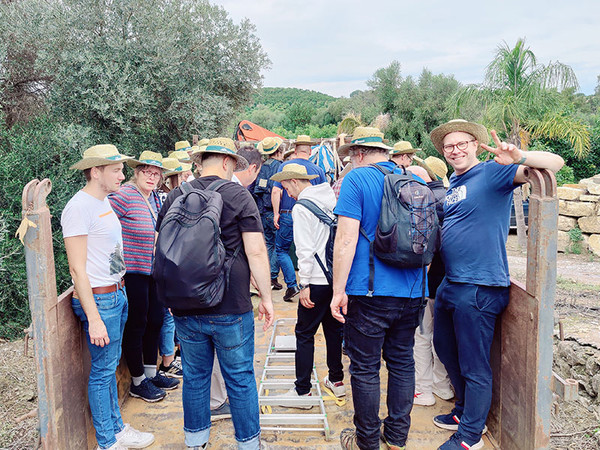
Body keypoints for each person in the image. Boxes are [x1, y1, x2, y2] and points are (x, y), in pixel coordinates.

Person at [429, 119, 564, 450]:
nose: (456, 150)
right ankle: (463, 411)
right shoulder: (455, 182)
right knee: (446, 351)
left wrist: (521, 156)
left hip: (479, 286)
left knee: (475, 365)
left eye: (462, 143)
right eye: (449, 146)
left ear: (476, 144)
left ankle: (470, 436)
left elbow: (555, 164)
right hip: (452, 283)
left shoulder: (493, 173)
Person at [157, 137, 274, 450]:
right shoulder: (239, 196)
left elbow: (163, 249)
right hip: (231, 305)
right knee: (239, 377)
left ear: (200, 161)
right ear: (227, 162)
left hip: (185, 306)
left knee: (195, 377)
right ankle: (248, 444)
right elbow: (257, 252)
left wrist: (169, 296)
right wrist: (266, 297)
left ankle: (195, 442)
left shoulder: (175, 196)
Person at [330, 127, 427, 450]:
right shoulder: (415, 179)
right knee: (402, 361)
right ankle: (397, 437)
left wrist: (337, 290)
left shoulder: (357, 180)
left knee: (365, 367)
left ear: (357, 154)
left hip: (369, 291)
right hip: (413, 290)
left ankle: (367, 440)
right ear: (384, 153)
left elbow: (345, 238)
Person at [61, 144, 154, 450]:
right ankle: (106, 441)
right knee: (102, 371)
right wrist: (94, 318)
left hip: (117, 293)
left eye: (122, 169)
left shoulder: (104, 203)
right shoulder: (78, 208)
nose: (122, 175)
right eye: (116, 169)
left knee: (111, 365)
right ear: (95, 171)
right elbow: (77, 268)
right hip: (100, 300)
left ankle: (116, 428)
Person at [270, 164, 345, 403]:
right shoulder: (330, 199)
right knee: (333, 331)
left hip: (315, 280)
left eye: (285, 186)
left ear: (294, 181)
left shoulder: (302, 207)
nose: (286, 193)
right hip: (335, 277)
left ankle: (303, 389)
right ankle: (336, 380)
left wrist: (304, 284)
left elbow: (305, 249)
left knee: (304, 333)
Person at [109, 151, 179, 403]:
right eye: (147, 172)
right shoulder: (124, 196)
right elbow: (103, 224)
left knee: (156, 320)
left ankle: (151, 372)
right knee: (137, 323)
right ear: (136, 173)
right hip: (133, 271)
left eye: (156, 173)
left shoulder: (154, 199)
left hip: (153, 272)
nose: (151, 177)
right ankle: (138, 381)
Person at [408, 157, 454, 407]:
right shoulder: (452, 197)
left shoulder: (422, 200)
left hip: (427, 282)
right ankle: (442, 385)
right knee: (443, 336)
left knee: (422, 336)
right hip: (451, 281)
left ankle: (423, 389)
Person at [272, 135, 327, 302]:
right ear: (310, 151)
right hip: (314, 216)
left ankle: (292, 285)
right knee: (312, 247)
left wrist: (276, 213)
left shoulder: (284, 167)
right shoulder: (318, 170)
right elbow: (323, 193)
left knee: (282, 250)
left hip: (287, 214)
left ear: (295, 151)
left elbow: (276, 191)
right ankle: (313, 282)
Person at [254, 137, 285, 290]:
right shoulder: (279, 167)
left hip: (262, 212)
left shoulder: (262, 167)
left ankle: (265, 275)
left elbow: (258, 190)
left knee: (268, 244)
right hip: (274, 212)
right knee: (279, 246)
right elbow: (276, 191)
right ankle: (272, 276)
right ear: (279, 151)